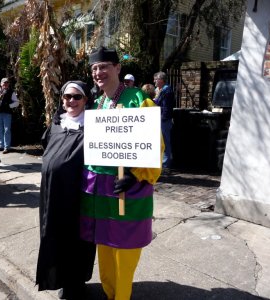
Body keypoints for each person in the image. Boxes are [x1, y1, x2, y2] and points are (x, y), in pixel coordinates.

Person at [81, 47, 163, 300]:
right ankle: (109, 292)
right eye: (95, 68)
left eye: (104, 66)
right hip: (99, 189)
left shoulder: (138, 99)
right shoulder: (96, 103)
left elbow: (155, 145)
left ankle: (122, 297)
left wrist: (136, 175)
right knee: (104, 245)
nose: (98, 72)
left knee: (124, 248)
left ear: (117, 68)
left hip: (126, 186)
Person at [36, 81, 96, 300]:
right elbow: (47, 147)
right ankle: (58, 278)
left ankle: (75, 283)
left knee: (77, 239)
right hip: (52, 194)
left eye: (76, 97)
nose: (71, 101)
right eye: (67, 97)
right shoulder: (56, 124)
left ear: (86, 100)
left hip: (78, 195)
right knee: (53, 234)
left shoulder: (93, 126)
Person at [154, 71, 174, 169]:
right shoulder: (160, 90)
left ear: (161, 80)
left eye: (156, 79)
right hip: (160, 118)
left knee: (165, 141)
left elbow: (166, 107)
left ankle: (166, 164)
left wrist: (162, 119)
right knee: (160, 141)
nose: (154, 81)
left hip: (164, 120)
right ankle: (163, 162)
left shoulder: (167, 91)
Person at [0, 78, 19, 154]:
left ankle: (7, 147)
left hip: (7, 113)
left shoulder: (11, 92)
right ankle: (1, 146)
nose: (5, 84)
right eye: (4, 83)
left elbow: (17, 102)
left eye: (7, 83)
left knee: (7, 130)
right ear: (1, 84)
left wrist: (9, 106)